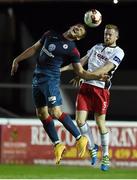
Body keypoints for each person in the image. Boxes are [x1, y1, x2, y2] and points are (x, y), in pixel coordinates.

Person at [11, 23, 108, 165]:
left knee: (55, 112)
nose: (77, 29)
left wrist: (96, 77)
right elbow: (33, 48)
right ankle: (58, 144)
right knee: (41, 114)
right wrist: (16, 60)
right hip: (37, 78)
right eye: (78, 27)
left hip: (51, 80)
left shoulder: (72, 50)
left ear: (78, 38)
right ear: (71, 26)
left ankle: (80, 138)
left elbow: (80, 72)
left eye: (80, 31)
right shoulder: (50, 34)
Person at [61, 24, 125, 170]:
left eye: (110, 34)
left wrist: (83, 74)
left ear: (116, 37)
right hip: (86, 87)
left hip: (101, 90)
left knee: (100, 123)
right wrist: (60, 70)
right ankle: (92, 146)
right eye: (105, 34)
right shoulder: (96, 47)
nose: (107, 36)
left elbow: (105, 69)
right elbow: (79, 63)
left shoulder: (119, 52)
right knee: (79, 121)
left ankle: (106, 156)